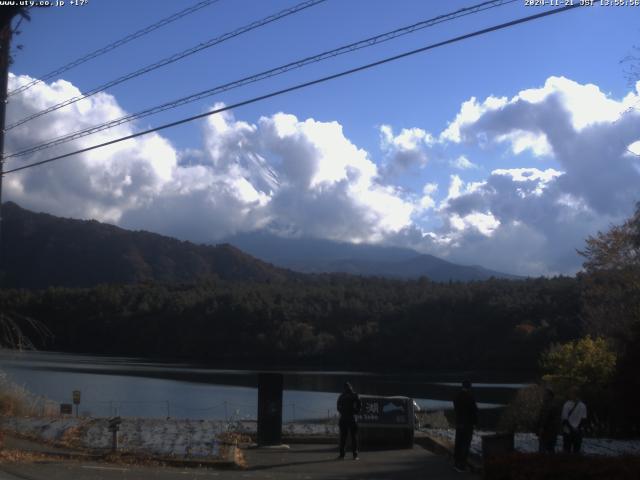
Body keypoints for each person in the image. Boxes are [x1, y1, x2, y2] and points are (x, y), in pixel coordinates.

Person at [453, 380, 478, 472]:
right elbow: (474, 411)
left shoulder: (457, 396)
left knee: (458, 442)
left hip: (459, 423)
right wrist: (475, 423)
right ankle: (462, 465)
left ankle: (456, 462)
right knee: (466, 444)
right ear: (469, 387)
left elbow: (456, 409)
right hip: (468, 424)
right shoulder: (470, 397)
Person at [337, 381, 361, 460]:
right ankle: (355, 455)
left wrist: (342, 412)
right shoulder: (355, 395)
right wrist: (355, 412)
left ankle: (342, 455)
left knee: (343, 437)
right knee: (353, 437)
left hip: (344, 418)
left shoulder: (342, 396)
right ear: (351, 387)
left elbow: (338, 406)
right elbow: (359, 405)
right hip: (352, 418)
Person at [561, 389, 587, 454]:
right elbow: (583, 419)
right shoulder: (583, 405)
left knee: (567, 451)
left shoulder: (566, 404)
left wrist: (571, 428)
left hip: (568, 431)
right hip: (578, 431)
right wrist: (577, 428)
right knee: (576, 451)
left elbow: (564, 419)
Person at [537, 387, 559, 453]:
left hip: (547, 431)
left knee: (544, 449)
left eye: (545, 395)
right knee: (550, 449)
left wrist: (541, 428)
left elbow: (545, 418)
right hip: (550, 431)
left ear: (549, 396)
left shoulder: (548, 406)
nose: (543, 396)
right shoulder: (549, 405)